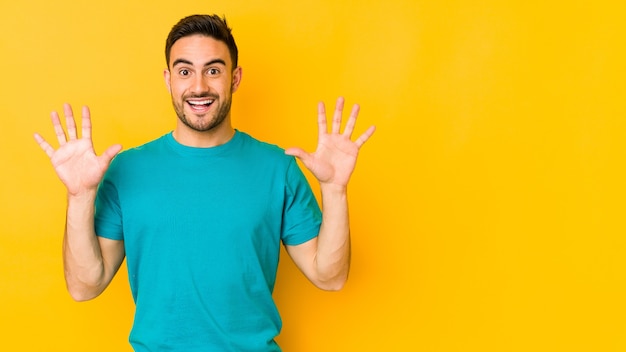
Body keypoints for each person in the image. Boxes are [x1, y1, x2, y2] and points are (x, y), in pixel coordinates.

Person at [34, 14, 375, 351]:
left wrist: (334, 191)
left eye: (213, 70)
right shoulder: (127, 170)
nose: (199, 86)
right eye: (185, 71)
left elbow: (330, 277)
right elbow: (84, 286)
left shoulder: (278, 168)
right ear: (169, 79)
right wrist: (79, 197)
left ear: (235, 78)